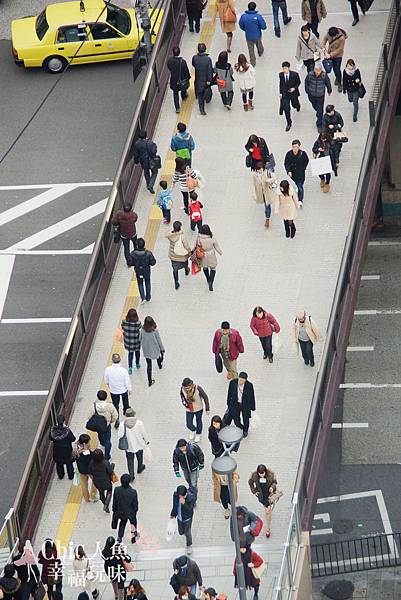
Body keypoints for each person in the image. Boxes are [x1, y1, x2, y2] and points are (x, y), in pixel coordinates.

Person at [118, 407, 149, 480]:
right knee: (140, 456)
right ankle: (140, 467)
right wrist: (147, 440)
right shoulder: (139, 423)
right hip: (139, 444)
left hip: (129, 446)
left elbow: (120, 435)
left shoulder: (123, 424)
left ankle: (131, 476)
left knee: (130, 460)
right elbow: (144, 433)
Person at [87, 390, 118, 461]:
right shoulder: (110, 406)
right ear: (106, 397)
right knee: (108, 439)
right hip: (106, 425)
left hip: (98, 425)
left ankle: (102, 443)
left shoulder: (94, 406)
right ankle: (107, 456)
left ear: (97, 397)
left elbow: (89, 417)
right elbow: (115, 416)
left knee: (100, 434)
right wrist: (110, 421)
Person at [248, 464, 279, 537]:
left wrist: (272, 487)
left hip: (269, 495)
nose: (261, 475)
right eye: (260, 474)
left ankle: (268, 529)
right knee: (267, 511)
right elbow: (250, 483)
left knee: (267, 512)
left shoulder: (270, 475)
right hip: (262, 496)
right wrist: (255, 491)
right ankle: (269, 512)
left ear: (265, 471)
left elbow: (275, 482)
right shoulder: (254, 476)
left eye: (263, 473)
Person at [104, 353, 132, 429]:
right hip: (123, 390)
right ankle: (126, 412)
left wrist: (109, 384)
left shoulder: (108, 369)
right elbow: (127, 381)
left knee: (115, 405)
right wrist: (129, 389)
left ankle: (117, 419)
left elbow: (106, 380)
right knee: (126, 402)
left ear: (112, 360)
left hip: (114, 391)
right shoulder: (123, 371)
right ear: (120, 360)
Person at [225, 372, 255, 437]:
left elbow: (252, 396)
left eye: (243, 381)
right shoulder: (233, 383)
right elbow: (229, 393)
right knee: (236, 418)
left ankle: (245, 430)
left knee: (246, 418)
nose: (241, 382)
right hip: (235, 403)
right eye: (240, 380)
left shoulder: (249, 385)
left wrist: (252, 407)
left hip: (245, 404)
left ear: (245, 380)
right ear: (238, 377)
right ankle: (240, 426)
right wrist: (228, 403)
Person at [180, 378, 210, 442]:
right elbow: (182, 398)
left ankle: (198, 434)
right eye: (186, 388)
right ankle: (193, 430)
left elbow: (205, 397)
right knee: (189, 423)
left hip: (198, 408)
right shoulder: (182, 390)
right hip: (189, 409)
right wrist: (186, 405)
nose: (187, 389)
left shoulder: (197, 388)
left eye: (188, 387)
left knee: (199, 421)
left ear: (191, 385)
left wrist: (207, 408)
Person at [112, 473, 139, 544]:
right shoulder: (133, 492)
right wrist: (135, 511)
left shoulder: (117, 490)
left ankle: (120, 537)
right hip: (130, 513)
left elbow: (115, 502)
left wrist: (114, 510)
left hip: (121, 511)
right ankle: (133, 538)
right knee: (133, 524)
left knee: (122, 523)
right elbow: (135, 504)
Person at [128, 237, 156, 304]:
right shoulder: (148, 253)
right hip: (146, 271)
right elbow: (153, 262)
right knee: (147, 282)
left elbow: (130, 263)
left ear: (137, 245)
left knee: (140, 283)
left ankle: (142, 297)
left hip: (138, 271)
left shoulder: (133, 253)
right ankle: (148, 297)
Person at [305, 62, 332, 130]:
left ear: (321, 70)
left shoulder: (324, 75)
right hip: (311, 95)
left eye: (319, 70)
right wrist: (308, 91)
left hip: (320, 95)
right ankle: (318, 113)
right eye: (316, 70)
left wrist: (329, 90)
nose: (317, 72)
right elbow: (306, 83)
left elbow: (328, 83)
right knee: (315, 106)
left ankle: (319, 124)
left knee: (320, 111)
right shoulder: (310, 74)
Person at [239, 2, 266, 67]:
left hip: (248, 36)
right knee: (259, 44)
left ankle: (253, 62)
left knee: (251, 49)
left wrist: (245, 30)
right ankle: (260, 51)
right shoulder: (258, 16)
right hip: (257, 35)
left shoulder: (244, 16)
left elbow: (241, 25)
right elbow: (263, 26)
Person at [170, 485, 196, 554]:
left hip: (187, 519)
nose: (180, 498)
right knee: (181, 532)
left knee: (188, 533)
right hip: (179, 518)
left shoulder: (190, 497)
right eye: (179, 496)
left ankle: (189, 545)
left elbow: (190, 510)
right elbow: (175, 505)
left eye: (182, 496)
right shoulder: (176, 495)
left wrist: (184, 503)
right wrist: (173, 514)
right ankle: (184, 532)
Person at [49, 415, 75, 480]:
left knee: (59, 464)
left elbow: (50, 438)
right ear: (64, 421)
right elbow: (73, 439)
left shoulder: (53, 430)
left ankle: (61, 476)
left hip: (57, 451)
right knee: (69, 464)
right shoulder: (67, 431)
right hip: (67, 450)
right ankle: (71, 476)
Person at [73, 433, 98, 502]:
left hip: (81, 470)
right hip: (89, 470)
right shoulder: (87, 453)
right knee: (95, 481)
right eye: (89, 442)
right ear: (85, 443)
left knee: (84, 484)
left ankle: (86, 499)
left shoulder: (76, 448)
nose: (90, 443)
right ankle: (92, 496)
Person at [141, 316, 165, 387]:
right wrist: (162, 349)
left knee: (149, 365)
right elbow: (159, 340)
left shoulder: (142, 330)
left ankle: (149, 381)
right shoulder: (155, 330)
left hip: (146, 350)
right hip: (155, 349)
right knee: (158, 357)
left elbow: (140, 338)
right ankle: (160, 365)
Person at [166, 221, 191, 289]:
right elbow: (186, 246)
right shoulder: (182, 236)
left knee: (175, 269)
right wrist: (189, 253)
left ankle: (176, 282)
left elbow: (167, 234)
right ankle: (186, 270)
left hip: (173, 255)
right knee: (185, 263)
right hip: (182, 255)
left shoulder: (170, 236)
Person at [133, 130, 159, 194]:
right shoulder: (150, 142)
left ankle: (148, 184)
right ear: (146, 135)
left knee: (146, 172)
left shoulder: (137, 144)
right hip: (152, 160)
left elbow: (136, 154)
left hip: (143, 161)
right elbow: (154, 150)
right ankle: (151, 184)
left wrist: (136, 161)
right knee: (155, 172)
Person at [198, 224, 223, 291]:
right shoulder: (212, 237)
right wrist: (220, 252)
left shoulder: (199, 238)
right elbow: (216, 246)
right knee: (213, 268)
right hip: (211, 254)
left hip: (203, 255)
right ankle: (211, 282)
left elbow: (196, 246)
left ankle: (208, 278)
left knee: (205, 267)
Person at [88, 449, 114, 513]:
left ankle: (104, 502)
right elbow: (110, 471)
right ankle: (106, 504)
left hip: (97, 482)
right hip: (106, 481)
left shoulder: (91, 463)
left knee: (101, 493)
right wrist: (112, 466)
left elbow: (89, 472)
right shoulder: (105, 462)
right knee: (109, 490)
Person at [284, 140, 309, 205]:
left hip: (300, 173)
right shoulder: (289, 154)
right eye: (294, 147)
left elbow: (306, 160)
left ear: (299, 147)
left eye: (297, 147)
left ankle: (300, 200)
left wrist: (303, 168)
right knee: (296, 182)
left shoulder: (303, 154)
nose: (295, 149)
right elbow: (286, 163)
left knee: (300, 186)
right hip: (293, 173)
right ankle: (298, 187)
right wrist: (288, 171)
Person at [251, 161, 276, 228]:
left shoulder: (267, 173)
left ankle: (267, 218)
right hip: (260, 193)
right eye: (258, 169)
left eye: (261, 169)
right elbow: (253, 185)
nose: (260, 170)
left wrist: (269, 180)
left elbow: (274, 178)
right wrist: (254, 194)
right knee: (265, 205)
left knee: (267, 206)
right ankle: (267, 215)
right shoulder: (254, 176)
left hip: (267, 193)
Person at [322, 27, 347, 92]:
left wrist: (330, 55)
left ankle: (339, 82)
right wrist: (323, 47)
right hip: (329, 54)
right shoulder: (329, 33)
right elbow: (324, 39)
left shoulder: (342, 38)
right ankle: (337, 78)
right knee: (332, 67)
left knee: (337, 69)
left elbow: (340, 49)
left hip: (338, 56)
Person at [167, 47, 190, 113]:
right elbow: (186, 71)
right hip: (182, 79)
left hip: (174, 80)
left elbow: (169, 67)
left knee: (175, 93)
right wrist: (188, 77)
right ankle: (184, 96)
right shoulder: (183, 62)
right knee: (183, 89)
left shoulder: (170, 61)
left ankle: (177, 108)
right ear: (179, 52)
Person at [192, 43, 213, 115]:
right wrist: (209, 80)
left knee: (200, 95)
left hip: (198, 79)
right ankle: (207, 99)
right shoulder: (208, 59)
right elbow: (210, 71)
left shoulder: (195, 57)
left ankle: (202, 109)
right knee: (207, 91)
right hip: (206, 80)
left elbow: (193, 64)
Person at [279, 61, 301, 132]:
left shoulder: (294, 74)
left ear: (288, 68)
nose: (284, 70)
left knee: (294, 104)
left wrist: (294, 88)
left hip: (293, 93)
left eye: (285, 68)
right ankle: (289, 123)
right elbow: (281, 84)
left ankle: (298, 106)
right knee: (286, 108)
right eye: (283, 68)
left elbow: (298, 82)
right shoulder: (281, 75)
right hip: (285, 94)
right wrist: (280, 93)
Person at [121, 309, 142, 374]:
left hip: (128, 341)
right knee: (137, 352)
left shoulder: (124, 322)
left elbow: (122, 327)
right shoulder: (137, 323)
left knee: (130, 353)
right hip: (136, 341)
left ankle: (130, 367)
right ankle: (137, 364)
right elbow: (140, 328)